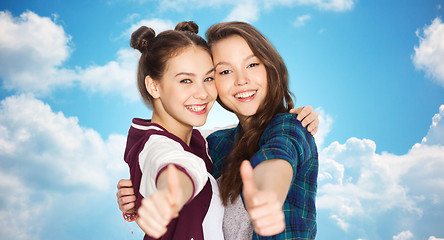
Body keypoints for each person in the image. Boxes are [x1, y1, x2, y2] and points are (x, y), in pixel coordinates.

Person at [118, 21, 319, 240]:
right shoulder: (215, 143)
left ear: (271, 66)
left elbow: (278, 157)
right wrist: (145, 195)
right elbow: (174, 165)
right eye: (224, 71)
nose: (242, 80)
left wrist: (268, 194)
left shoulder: (289, 127)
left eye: (252, 65)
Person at [124, 21, 224, 240]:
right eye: (186, 80)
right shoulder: (154, 146)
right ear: (154, 86)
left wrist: (289, 118)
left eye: (208, 78)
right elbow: (173, 165)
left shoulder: (199, 140)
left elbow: (244, 130)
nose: (203, 93)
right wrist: (169, 197)